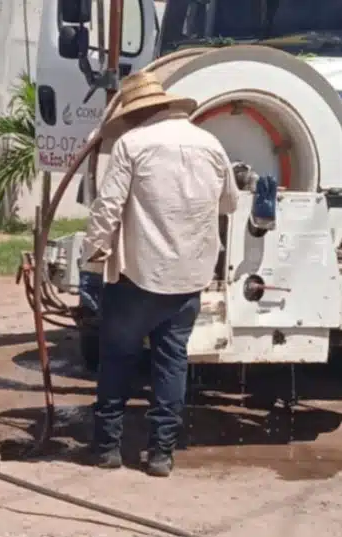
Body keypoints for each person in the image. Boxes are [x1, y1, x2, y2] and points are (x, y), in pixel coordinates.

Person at [83, 71, 239, 477]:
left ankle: (107, 449)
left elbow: (108, 207)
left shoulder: (131, 145)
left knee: (117, 359)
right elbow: (229, 203)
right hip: (188, 277)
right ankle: (160, 454)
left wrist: (92, 252)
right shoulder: (210, 143)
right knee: (172, 363)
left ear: (136, 113)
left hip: (137, 275)